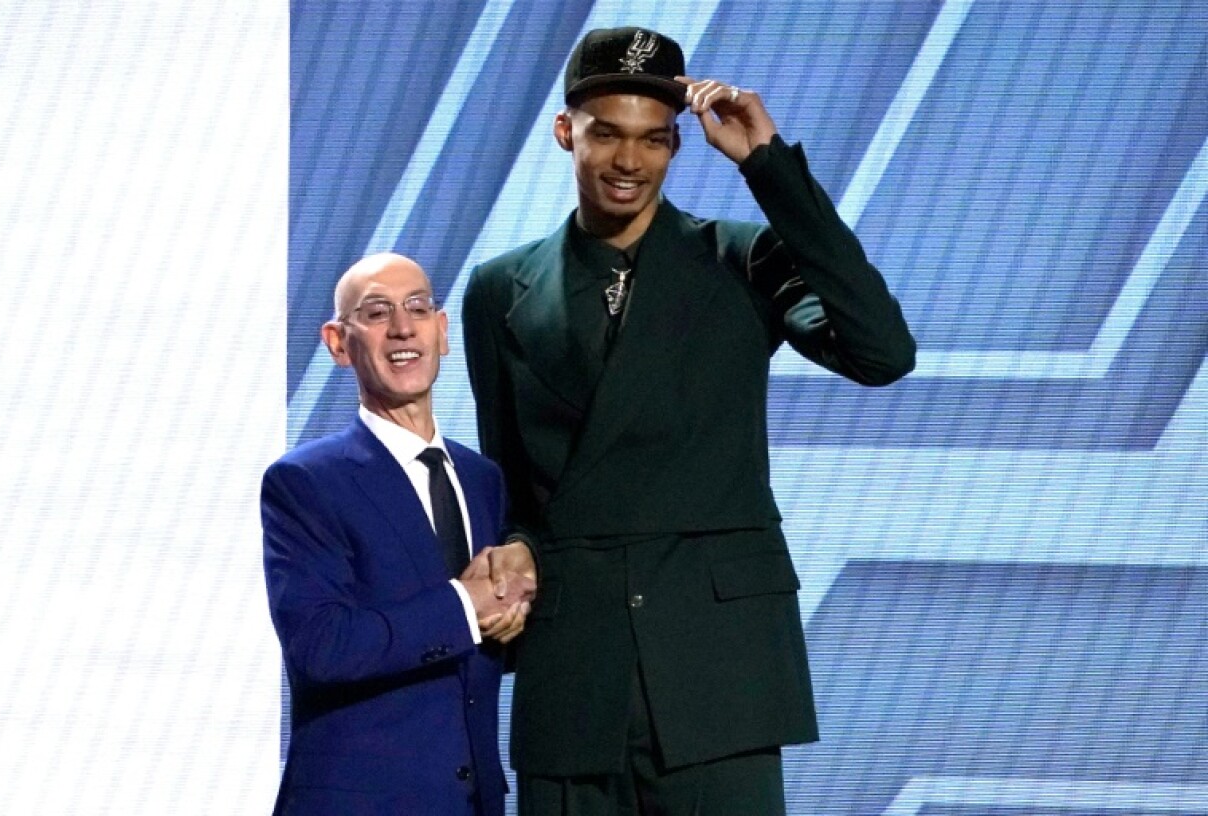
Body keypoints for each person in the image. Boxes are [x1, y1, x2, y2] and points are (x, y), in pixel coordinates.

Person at [461, 26, 916, 815]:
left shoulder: (744, 259)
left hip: (718, 675)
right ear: (566, 131)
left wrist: (768, 168)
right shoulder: (499, 290)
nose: (629, 162)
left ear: (676, 146)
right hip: (575, 675)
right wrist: (515, 559)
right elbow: (517, 496)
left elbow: (881, 352)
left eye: (654, 140)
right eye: (607, 134)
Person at [261, 253, 536, 816]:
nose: (403, 327)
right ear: (339, 343)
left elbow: (478, 648)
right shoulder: (306, 481)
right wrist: (466, 605)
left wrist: (513, 614)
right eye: (378, 312)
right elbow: (323, 646)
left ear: (442, 331)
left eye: (417, 307)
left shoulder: (483, 480)